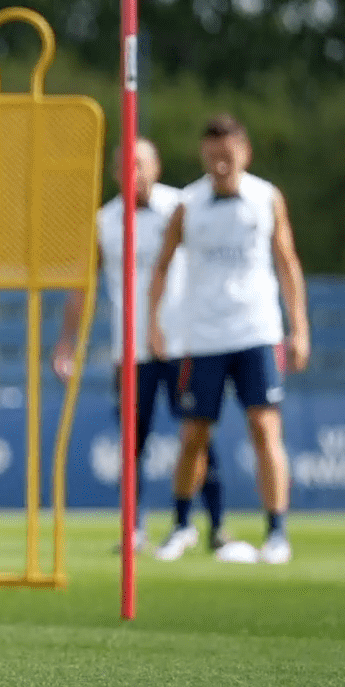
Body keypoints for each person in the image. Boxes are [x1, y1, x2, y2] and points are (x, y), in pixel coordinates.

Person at [148, 114, 310, 566]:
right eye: (213, 154)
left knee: (264, 428)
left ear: (245, 152)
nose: (221, 162)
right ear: (203, 154)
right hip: (203, 336)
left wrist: (299, 328)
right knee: (194, 434)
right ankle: (181, 525)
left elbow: (287, 262)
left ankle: (277, 532)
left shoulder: (266, 198)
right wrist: (155, 325)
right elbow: (161, 268)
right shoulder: (188, 204)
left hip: (257, 330)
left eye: (229, 153)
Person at [53, 137, 223, 554]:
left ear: (157, 167)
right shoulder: (105, 221)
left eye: (141, 164)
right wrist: (67, 343)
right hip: (128, 351)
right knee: (132, 443)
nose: (134, 173)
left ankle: (209, 526)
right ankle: (135, 529)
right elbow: (83, 287)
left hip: (181, 344)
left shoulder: (180, 208)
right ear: (114, 173)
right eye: (125, 166)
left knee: (197, 435)